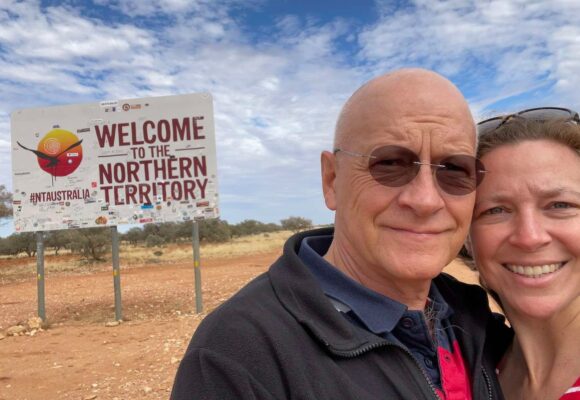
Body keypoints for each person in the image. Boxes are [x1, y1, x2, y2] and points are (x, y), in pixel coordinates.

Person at [171, 68, 509, 400]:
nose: (424, 200)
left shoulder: (472, 316)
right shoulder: (242, 354)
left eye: (454, 170)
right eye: (390, 164)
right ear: (332, 180)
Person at [467, 109, 580, 400]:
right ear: (466, 238)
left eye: (560, 205)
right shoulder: (471, 375)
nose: (529, 237)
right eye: (496, 210)